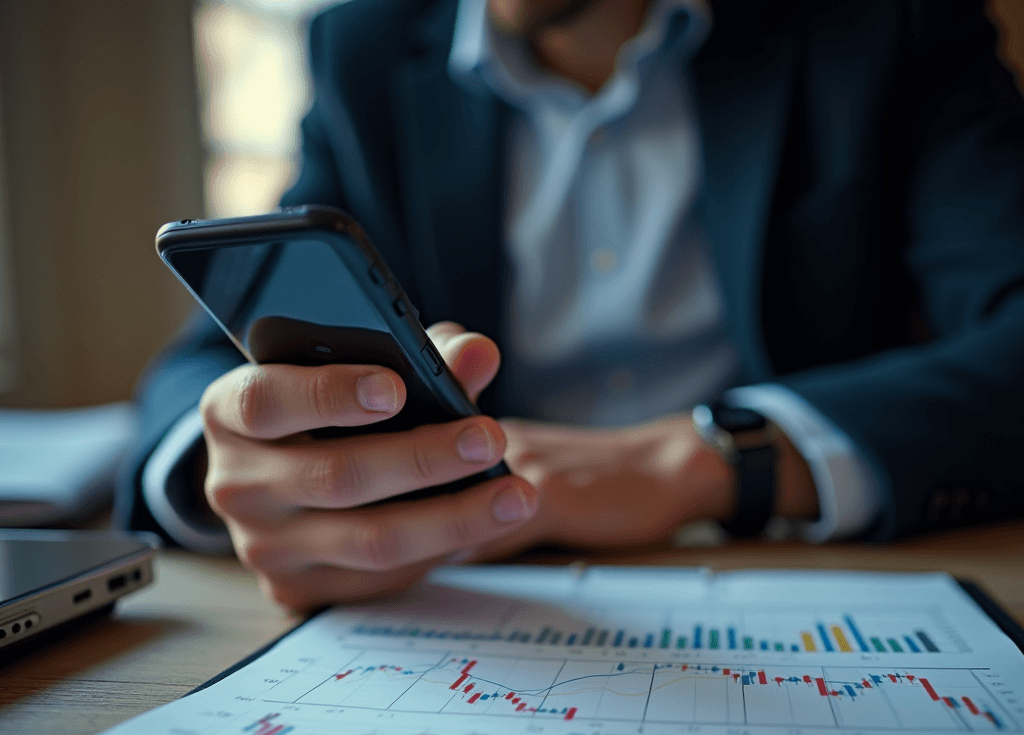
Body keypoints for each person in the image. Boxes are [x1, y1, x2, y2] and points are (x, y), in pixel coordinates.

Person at [119, 0, 1024, 609]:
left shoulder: (889, 23)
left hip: (795, 573)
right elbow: (204, 367)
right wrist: (245, 465)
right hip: (467, 591)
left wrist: (709, 460)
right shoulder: (365, 44)